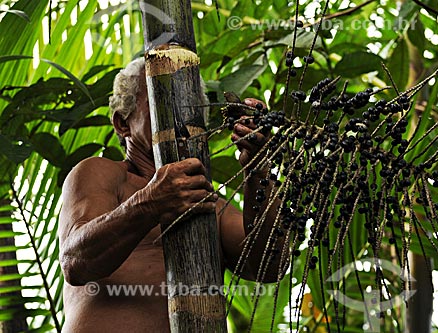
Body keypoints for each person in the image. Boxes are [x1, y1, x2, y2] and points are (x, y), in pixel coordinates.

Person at [58, 58, 282, 332]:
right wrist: (150, 204)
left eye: (189, 102)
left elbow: (270, 266)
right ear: (122, 124)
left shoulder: (208, 201)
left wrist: (258, 168)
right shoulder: (102, 173)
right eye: (160, 97)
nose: (179, 111)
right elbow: (76, 262)